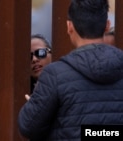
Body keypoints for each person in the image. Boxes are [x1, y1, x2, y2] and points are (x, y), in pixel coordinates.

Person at [18, 0, 123, 140]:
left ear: (69, 26)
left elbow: (27, 127)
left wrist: (34, 104)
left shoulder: (55, 74)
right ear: (107, 26)